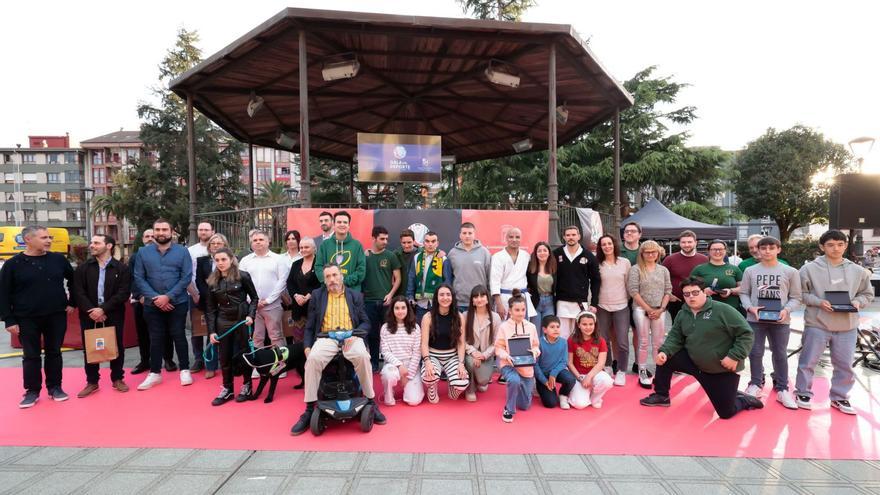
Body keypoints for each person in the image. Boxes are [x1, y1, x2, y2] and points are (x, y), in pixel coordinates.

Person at [640, 277, 764, 419]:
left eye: (695, 292)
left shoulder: (723, 310)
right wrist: (664, 352)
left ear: (704, 292)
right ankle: (661, 395)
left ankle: (743, 399)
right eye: (687, 294)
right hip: (694, 363)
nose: (691, 297)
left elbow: (746, 334)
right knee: (664, 356)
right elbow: (675, 337)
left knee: (725, 412)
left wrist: (734, 356)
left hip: (720, 368)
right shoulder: (683, 313)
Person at [290, 263, 386, 435]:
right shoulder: (318, 296)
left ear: (341, 276)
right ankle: (310, 409)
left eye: (334, 275)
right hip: (326, 337)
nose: (332, 279)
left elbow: (366, 322)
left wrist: (356, 335)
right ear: (324, 279)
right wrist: (306, 347)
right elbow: (310, 326)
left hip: (351, 336)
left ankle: (371, 401)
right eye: (328, 276)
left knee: (363, 357)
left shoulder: (355, 295)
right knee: (312, 360)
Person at [795, 230, 874, 414]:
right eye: (830, 245)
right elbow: (800, 294)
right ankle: (803, 392)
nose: (835, 248)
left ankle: (840, 397)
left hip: (847, 325)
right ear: (822, 247)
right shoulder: (808, 269)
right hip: (817, 323)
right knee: (808, 362)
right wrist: (818, 302)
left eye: (840, 244)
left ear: (845, 246)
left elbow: (867, 294)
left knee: (844, 364)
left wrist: (857, 302)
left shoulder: (857, 270)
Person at [0, 225, 76, 408]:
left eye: (49, 237)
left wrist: (72, 302)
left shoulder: (58, 260)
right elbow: (3, 293)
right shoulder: (12, 264)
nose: (49, 240)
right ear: (28, 239)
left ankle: (55, 387)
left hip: (56, 315)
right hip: (26, 317)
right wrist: (8, 319)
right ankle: (32, 391)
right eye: (44, 238)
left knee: (54, 352)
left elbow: (74, 280)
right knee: (31, 355)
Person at [739, 236, 802, 409]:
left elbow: (796, 297)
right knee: (755, 352)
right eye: (763, 248)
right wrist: (750, 307)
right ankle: (755, 384)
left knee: (780, 353)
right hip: (755, 319)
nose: (767, 251)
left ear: (778, 250)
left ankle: (782, 389)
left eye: (771, 248)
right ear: (758, 251)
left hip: (780, 320)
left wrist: (786, 310)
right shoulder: (750, 271)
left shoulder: (790, 271)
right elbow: (743, 293)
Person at [132, 218, 194, 390]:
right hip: (152, 305)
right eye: (157, 229)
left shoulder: (182, 252)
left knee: (179, 335)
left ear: (171, 231)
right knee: (155, 338)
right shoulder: (143, 253)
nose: (160, 233)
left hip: (178, 302)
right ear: (153, 232)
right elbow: (138, 277)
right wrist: (156, 298)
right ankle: (154, 373)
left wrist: (168, 296)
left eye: (164, 229)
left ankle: (185, 369)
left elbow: (186, 277)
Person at [72, 234, 131, 398]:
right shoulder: (83, 268)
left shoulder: (122, 268)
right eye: (91, 243)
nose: (92, 245)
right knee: (90, 347)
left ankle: (117, 378)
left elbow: (123, 293)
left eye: (96, 243)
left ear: (109, 246)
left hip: (114, 313)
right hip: (88, 315)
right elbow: (78, 292)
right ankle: (92, 382)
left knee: (117, 345)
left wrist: (103, 309)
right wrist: (92, 311)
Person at [205, 248, 259, 406]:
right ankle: (227, 388)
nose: (220, 263)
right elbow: (210, 309)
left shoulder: (243, 276)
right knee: (224, 357)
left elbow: (254, 298)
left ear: (231, 259)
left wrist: (251, 315)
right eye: (217, 260)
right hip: (223, 322)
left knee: (244, 354)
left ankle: (247, 386)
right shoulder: (212, 281)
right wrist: (212, 331)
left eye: (223, 259)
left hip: (242, 320)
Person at [130, 229, 175, 375]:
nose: (150, 238)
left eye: (152, 236)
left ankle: (168, 359)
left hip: (162, 300)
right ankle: (145, 361)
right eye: (146, 236)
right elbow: (133, 278)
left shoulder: (165, 255)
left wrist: (160, 298)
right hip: (141, 301)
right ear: (142, 239)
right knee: (143, 333)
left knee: (166, 332)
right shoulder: (136, 257)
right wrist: (140, 296)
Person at [627, 240, 672, 388]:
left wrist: (661, 308)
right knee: (643, 341)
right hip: (641, 309)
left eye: (654, 251)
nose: (651, 254)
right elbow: (633, 291)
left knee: (658, 342)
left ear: (658, 253)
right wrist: (647, 308)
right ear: (642, 253)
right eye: (647, 252)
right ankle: (642, 370)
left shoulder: (663, 270)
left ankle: (660, 370)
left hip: (660, 309)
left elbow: (668, 290)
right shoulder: (636, 269)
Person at [494, 289, 540, 422]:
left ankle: (516, 391)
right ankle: (509, 409)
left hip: (526, 367)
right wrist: (505, 356)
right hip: (509, 364)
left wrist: (535, 352)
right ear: (510, 311)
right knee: (514, 380)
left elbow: (536, 345)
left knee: (525, 405)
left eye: (523, 310)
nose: (521, 313)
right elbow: (498, 347)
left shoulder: (531, 327)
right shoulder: (504, 327)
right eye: (517, 310)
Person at [239, 229, 289, 351]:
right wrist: (252, 300)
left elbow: (282, 282)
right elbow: (241, 282)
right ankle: (259, 366)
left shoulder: (278, 259)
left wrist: (268, 300)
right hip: (253, 307)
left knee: (276, 336)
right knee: (256, 337)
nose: (258, 242)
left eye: (261, 239)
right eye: (255, 240)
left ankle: (280, 365)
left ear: (268, 242)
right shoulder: (245, 261)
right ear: (251, 243)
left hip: (273, 305)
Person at [420, 283, 469, 403]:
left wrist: (461, 363)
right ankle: (433, 386)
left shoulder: (459, 316)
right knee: (429, 380)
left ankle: (451, 383)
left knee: (462, 383)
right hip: (433, 356)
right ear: (436, 297)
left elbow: (461, 343)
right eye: (441, 295)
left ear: (452, 297)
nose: (445, 298)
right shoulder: (428, 317)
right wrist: (427, 362)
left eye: (448, 294)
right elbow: (424, 343)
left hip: (452, 356)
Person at [363, 226, 402, 372]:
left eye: (387, 238)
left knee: (389, 334)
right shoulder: (364, 255)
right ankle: (374, 363)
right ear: (373, 238)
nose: (385, 241)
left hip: (387, 302)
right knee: (372, 334)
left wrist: (391, 294)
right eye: (382, 239)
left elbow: (398, 278)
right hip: (369, 302)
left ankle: (389, 363)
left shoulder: (391, 256)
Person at [553, 225, 601, 339]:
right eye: (568, 235)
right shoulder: (556, 254)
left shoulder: (588, 256)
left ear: (579, 236)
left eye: (574, 235)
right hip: (561, 302)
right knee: (562, 336)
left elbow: (596, 280)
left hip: (580, 302)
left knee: (578, 337)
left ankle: (576, 358)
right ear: (564, 237)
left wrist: (594, 303)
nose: (571, 237)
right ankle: (564, 357)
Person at [192, 233, 229, 379]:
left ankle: (230, 363)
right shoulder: (202, 261)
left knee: (229, 334)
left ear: (224, 246)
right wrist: (209, 297)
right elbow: (199, 281)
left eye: (219, 243)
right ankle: (210, 366)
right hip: (209, 303)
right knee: (211, 334)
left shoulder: (231, 260)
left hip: (227, 302)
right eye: (213, 243)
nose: (215, 246)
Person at [596, 234, 631, 386]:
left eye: (609, 243)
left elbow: (629, 284)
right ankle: (608, 366)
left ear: (614, 245)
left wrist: (626, 300)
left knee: (622, 340)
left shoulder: (624, 262)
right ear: (600, 247)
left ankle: (622, 370)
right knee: (603, 339)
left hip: (621, 305)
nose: (607, 247)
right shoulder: (597, 263)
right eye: (604, 244)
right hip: (602, 306)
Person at [285, 237, 320, 389]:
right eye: (302, 247)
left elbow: (322, 283)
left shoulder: (319, 263)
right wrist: (296, 296)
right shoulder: (296, 264)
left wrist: (310, 295)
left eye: (307, 247)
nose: (304, 249)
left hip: (315, 308)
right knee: (299, 344)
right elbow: (290, 283)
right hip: (298, 310)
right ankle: (304, 378)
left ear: (314, 248)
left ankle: (318, 377)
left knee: (316, 343)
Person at [379, 296, 424, 406]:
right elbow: (385, 351)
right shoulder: (385, 328)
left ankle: (409, 388)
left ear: (408, 309)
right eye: (397, 308)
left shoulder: (415, 328)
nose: (400, 311)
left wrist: (408, 376)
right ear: (392, 310)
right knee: (388, 375)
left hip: (411, 365)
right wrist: (399, 365)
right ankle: (388, 393)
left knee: (414, 401)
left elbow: (417, 353)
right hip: (393, 364)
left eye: (403, 308)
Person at [567, 311, 614, 409]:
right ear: (578, 325)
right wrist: (580, 378)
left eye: (591, 324)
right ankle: (580, 393)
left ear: (595, 324)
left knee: (607, 381)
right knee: (580, 405)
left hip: (594, 373)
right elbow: (569, 363)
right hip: (578, 375)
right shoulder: (571, 340)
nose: (588, 327)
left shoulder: (601, 340)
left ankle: (594, 398)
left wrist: (589, 377)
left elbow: (601, 363)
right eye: (584, 324)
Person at [462, 285, 501, 402]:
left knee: (483, 383)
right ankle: (470, 388)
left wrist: (484, 355)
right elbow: (461, 340)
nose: (479, 299)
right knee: (470, 362)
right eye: (475, 297)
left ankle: (480, 380)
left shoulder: (495, 317)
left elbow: (496, 342)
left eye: (482, 296)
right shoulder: (465, 316)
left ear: (488, 298)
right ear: (472, 301)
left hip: (486, 355)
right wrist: (474, 352)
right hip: (469, 354)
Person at [186, 221, 214, 374]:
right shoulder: (190, 251)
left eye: (206, 229)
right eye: (201, 229)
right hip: (196, 295)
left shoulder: (218, 248)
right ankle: (198, 358)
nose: (203, 232)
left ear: (212, 231)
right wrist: (194, 294)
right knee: (197, 328)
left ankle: (211, 358)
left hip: (216, 296)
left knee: (213, 328)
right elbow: (187, 274)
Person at [662, 230, 708, 321]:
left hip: (699, 301)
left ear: (695, 243)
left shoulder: (704, 259)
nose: (686, 245)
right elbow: (660, 279)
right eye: (683, 242)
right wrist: (668, 295)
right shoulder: (670, 259)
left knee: (698, 327)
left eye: (689, 242)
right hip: (676, 302)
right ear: (680, 243)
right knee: (678, 328)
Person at [491, 227, 535, 321]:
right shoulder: (498, 257)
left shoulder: (526, 256)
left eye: (517, 237)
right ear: (506, 238)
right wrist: (499, 304)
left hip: (522, 297)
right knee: (504, 328)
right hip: (504, 298)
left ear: (521, 239)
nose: (514, 239)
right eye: (511, 237)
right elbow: (494, 281)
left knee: (522, 328)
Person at [407, 231, 452, 323]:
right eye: (427, 241)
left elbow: (447, 282)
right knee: (421, 332)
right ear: (423, 243)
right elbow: (411, 278)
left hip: (438, 304)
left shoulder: (443, 258)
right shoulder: (417, 257)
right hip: (420, 304)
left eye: (433, 241)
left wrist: (444, 300)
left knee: (437, 333)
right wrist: (410, 296)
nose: (430, 244)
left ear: (437, 243)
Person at [315, 210, 367, 290]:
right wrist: (330, 281)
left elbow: (361, 270)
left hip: (351, 292)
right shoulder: (324, 245)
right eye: (339, 222)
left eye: (345, 222)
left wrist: (343, 282)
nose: (342, 224)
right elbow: (318, 267)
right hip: (329, 291)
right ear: (334, 225)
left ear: (349, 225)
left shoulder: (357, 245)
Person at [447, 222, 491, 313]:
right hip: (459, 303)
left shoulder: (484, 252)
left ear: (474, 234)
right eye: (464, 233)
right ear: (460, 235)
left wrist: (490, 299)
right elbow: (449, 278)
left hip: (479, 301)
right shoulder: (452, 253)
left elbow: (489, 277)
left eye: (470, 233)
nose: (467, 236)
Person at [535, 315, 577, 409]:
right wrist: (545, 381)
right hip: (543, 375)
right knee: (551, 403)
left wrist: (553, 374)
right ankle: (540, 387)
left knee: (570, 379)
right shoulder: (538, 343)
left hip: (556, 372)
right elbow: (535, 365)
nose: (556, 329)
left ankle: (563, 395)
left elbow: (564, 361)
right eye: (552, 327)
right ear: (545, 330)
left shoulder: (563, 342)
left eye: (558, 327)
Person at [691, 240, 743, 314]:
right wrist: (703, 292)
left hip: (730, 310)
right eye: (714, 249)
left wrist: (730, 291)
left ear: (725, 251)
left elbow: (743, 289)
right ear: (708, 251)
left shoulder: (734, 269)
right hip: (705, 309)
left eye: (721, 249)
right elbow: (689, 289)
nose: (717, 252)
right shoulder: (699, 269)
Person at [526, 241, 557, 329]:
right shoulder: (530, 268)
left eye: (545, 250)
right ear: (535, 253)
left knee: (548, 330)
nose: (542, 253)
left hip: (550, 302)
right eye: (539, 251)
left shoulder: (554, 267)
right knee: (535, 330)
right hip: (535, 301)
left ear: (549, 253)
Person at [394, 229, 418, 298]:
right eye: (404, 243)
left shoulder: (421, 253)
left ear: (414, 241)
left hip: (417, 296)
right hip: (400, 295)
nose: (406, 245)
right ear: (400, 242)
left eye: (409, 242)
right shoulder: (395, 254)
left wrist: (438, 252)